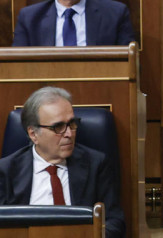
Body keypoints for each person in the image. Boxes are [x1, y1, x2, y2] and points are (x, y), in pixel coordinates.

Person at [0, 87, 124, 238]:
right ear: (33, 134)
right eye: (58, 127)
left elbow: (115, 223)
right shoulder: (6, 171)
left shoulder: (96, 164)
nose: (69, 134)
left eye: (72, 123)